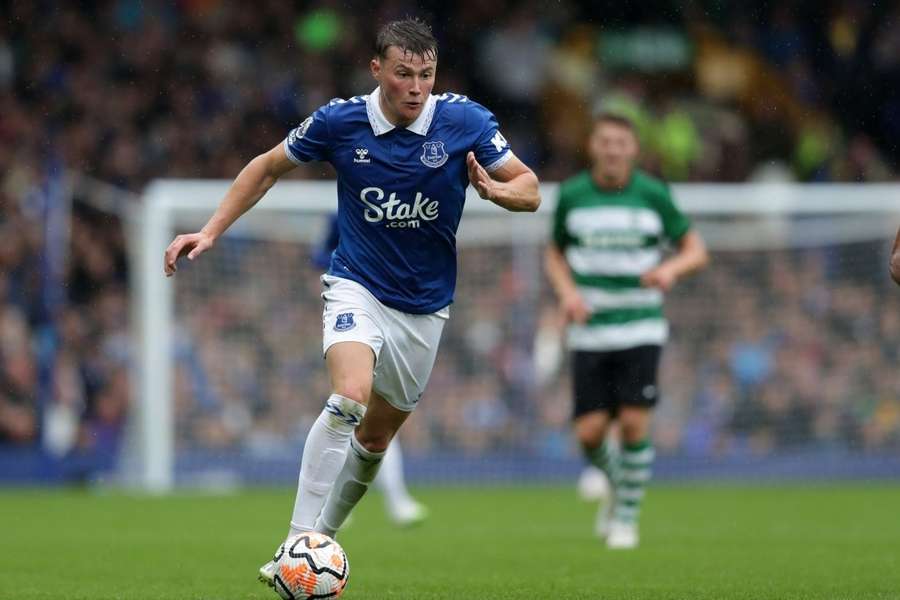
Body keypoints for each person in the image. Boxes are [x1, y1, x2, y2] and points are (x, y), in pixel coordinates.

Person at [163, 17, 540, 586]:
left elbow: (530, 189)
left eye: (427, 75)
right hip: (356, 283)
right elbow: (266, 168)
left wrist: (494, 191)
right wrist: (211, 230)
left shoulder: (464, 120)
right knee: (349, 397)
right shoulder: (340, 122)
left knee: (376, 438)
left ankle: (322, 541)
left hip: (426, 305)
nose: (417, 87)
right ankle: (295, 541)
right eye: (404, 74)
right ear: (378, 70)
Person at [544, 112, 708, 549]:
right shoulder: (573, 195)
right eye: (605, 141)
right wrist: (567, 294)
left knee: (634, 423)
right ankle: (619, 486)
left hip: (641, 325)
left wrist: (670, 269)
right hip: (590, 328)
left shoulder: (653, 194)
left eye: (621, 142)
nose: (613, 150)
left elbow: (695, 250)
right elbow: (554, 255)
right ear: (592, 146)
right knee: (590, 434)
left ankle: (625, 520)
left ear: (634, 149)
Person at [313, 214, 428, 527]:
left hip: (400, 313)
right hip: (355, 313)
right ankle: (381, 501)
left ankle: (390, 501)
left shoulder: (410, 205)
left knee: (374, 415)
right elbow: (320, 257)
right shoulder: (344, 213)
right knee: (350, 404)